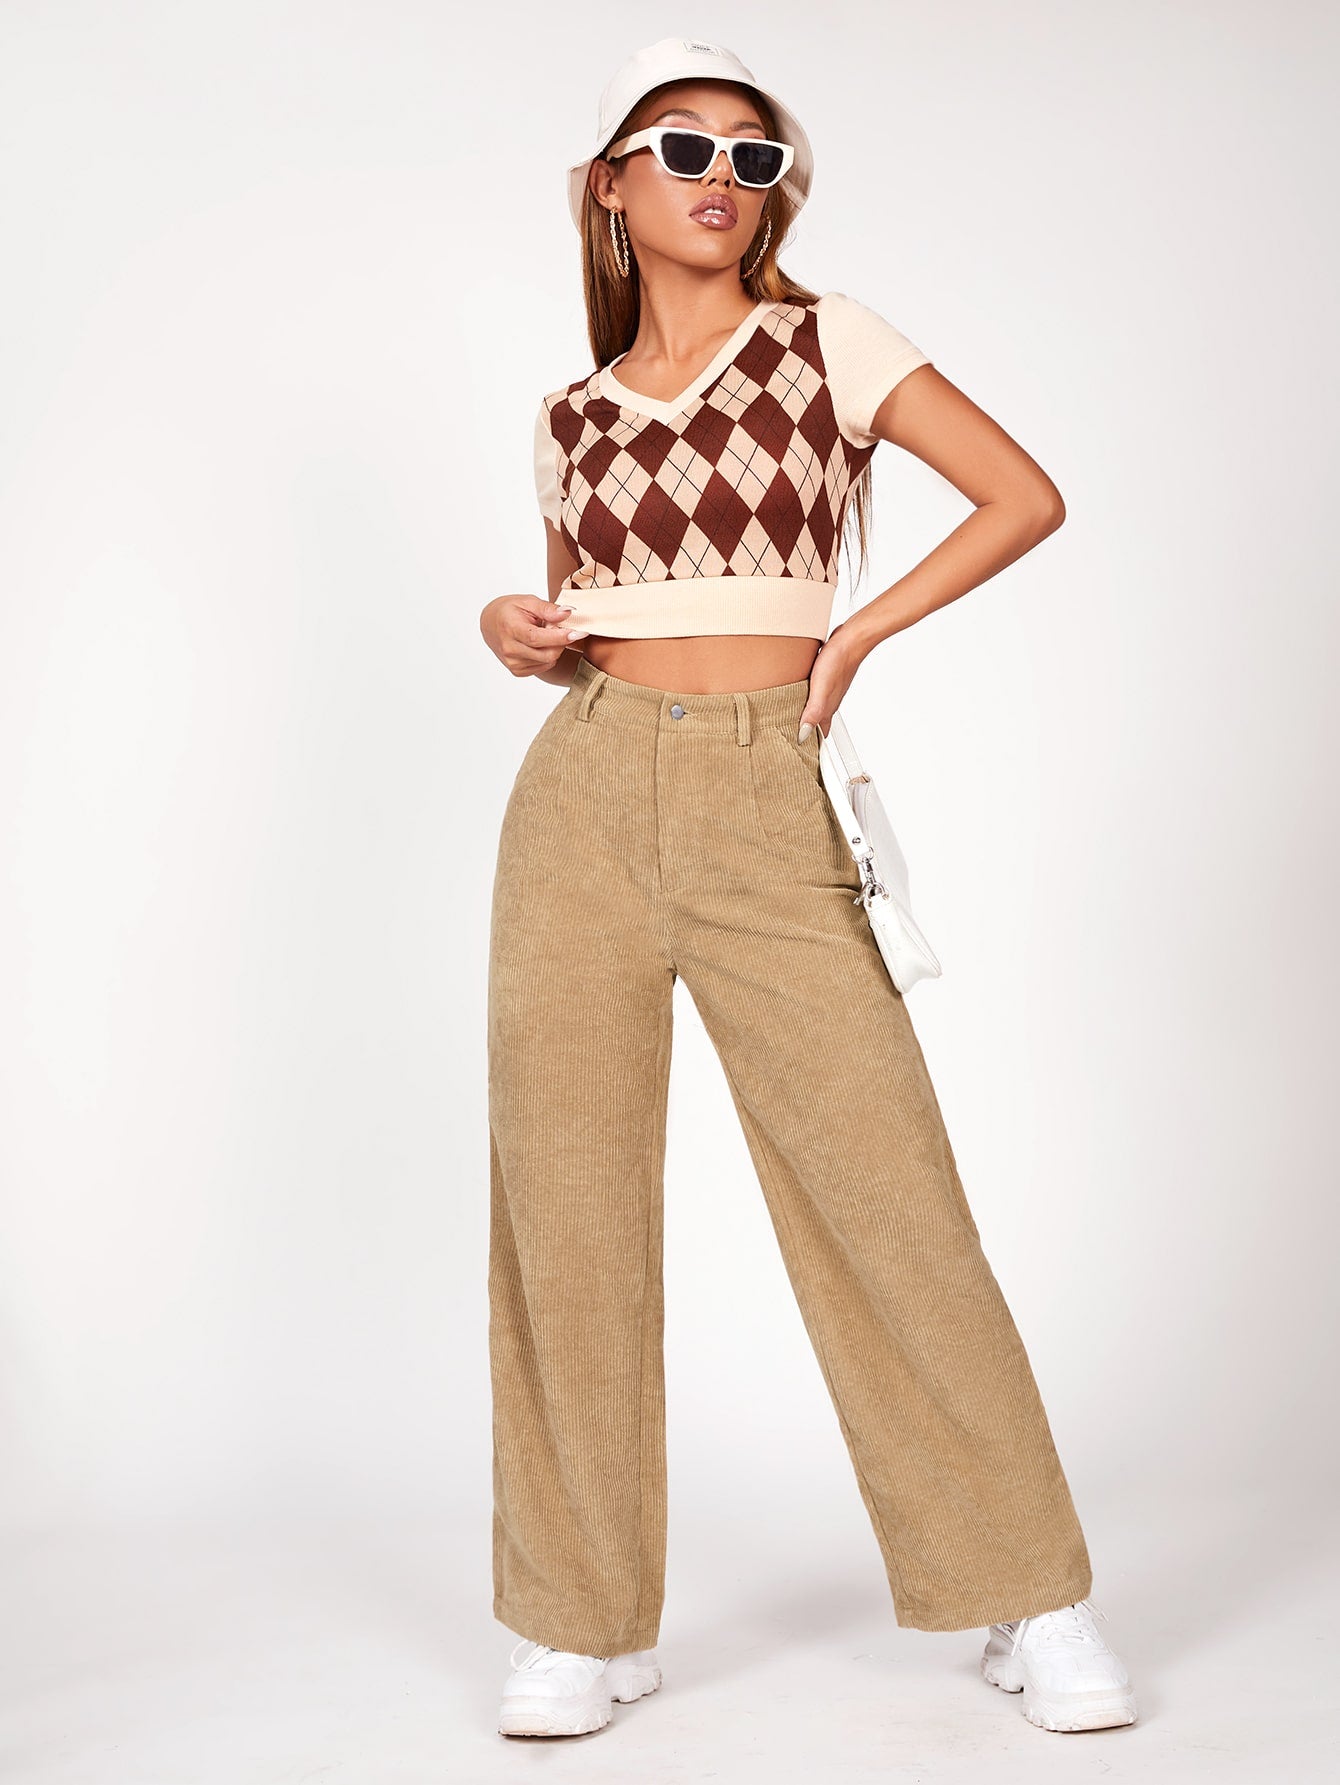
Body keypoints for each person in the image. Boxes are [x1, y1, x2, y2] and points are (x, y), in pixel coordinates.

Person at [479, 35, 1138, 1743]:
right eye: (684, 148)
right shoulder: (568, 415)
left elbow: (1023, 495)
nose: (722, 176)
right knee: (565, 1207)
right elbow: (575, 623)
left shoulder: (828, 341)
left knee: (885, 1189)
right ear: (610, 187)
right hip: (580, 799)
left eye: (754, 157)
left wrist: (857, 632)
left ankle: (1028, 1585)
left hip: (769, 785)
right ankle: (578, 1616)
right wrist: (510, 628)